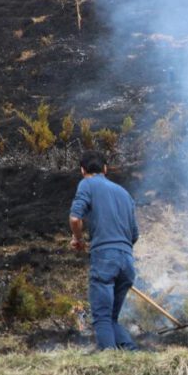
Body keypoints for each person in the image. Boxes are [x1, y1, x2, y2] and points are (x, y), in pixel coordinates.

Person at [69, 150, 139, 350]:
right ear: (105, 169)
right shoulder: (124, 193)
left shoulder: (87, 184)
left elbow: (75, 218)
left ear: (83, 170)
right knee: (110, 319)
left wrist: (78, 239)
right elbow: (134, 234)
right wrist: (120, 254)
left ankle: (109, 362)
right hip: (127, 261)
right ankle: (131, 352)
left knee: (101, 317)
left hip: (105, 259)